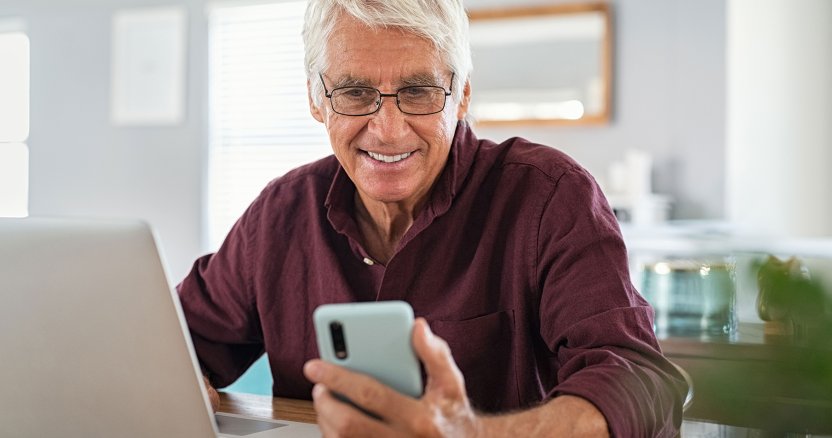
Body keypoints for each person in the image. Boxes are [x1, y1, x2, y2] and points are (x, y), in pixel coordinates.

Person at [178, 0, 688, 436]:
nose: (388, 129)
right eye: (355, 93)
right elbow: (175, 344)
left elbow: (638, 378)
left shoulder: (550, 196)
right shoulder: (279, 214)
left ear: (462, 94)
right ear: (316, 98)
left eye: (419, 91)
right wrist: (175, 380)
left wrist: (475, 434)